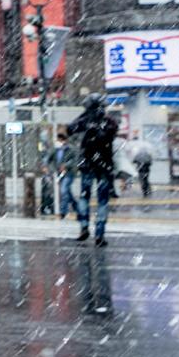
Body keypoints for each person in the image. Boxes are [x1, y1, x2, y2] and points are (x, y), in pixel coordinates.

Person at [66, 96, 120, 246]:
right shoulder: (109, 121)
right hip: (104, 165)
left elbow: (70, 129)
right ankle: (100, 233)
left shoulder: (84, 121)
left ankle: (84, 227)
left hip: (87, 164)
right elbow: (113, 132)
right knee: (102, 200)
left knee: (85, 197)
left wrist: (86, 120)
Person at [48, 130, 76, 219]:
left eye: (60, 140)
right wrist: (53, 169)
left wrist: (66, 166)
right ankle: (77, 207)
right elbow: (49, 160)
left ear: (64, 141)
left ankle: (63, 212)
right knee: (67, 192)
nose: (59, 142)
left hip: (68, 173)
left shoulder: (70, 149)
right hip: (59, 174)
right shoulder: (54, 150)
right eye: (58, 140)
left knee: (64, 190)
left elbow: (74, 161)